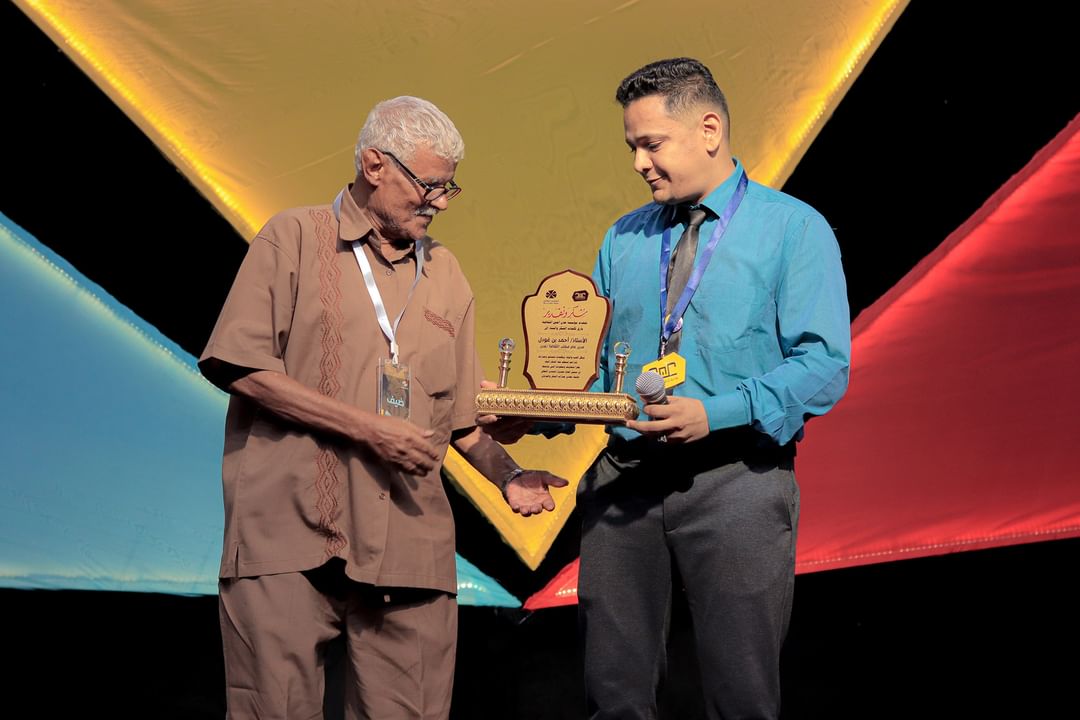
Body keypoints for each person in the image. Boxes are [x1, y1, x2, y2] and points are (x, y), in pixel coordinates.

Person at [485, 58, 851, 718]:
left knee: (741, 699)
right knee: (614, 697)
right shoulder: (623, 238)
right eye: (632, 147)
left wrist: (716, 413)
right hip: (624, 482)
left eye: (651, 144)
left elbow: (824, 364)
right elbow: (599, 373)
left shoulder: (793, 229)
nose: (639, 163)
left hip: (737, 479)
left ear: (709, 129)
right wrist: (533, 412)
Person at [198, 95, 568, 720]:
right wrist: (368, 430)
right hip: (288, 536)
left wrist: (508, 475)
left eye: (449, 188)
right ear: (375, 165)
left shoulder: (446, 273)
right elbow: (239, 366)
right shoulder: (293, 237)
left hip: (409, 546)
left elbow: (461, 421)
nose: (440, 202)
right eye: (430, 185)